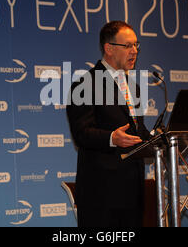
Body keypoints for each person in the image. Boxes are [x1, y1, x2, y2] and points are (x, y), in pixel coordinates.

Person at [66, 21, 151, 227]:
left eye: (136, 45)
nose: (134, 51)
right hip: (102, 193)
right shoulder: (85, 84)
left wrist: (162, 140)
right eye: (128, 46)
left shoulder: (134, 87)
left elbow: (137, 132)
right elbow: (81, 133)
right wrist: (112, 138)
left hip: (133, 190)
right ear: (109, 49)